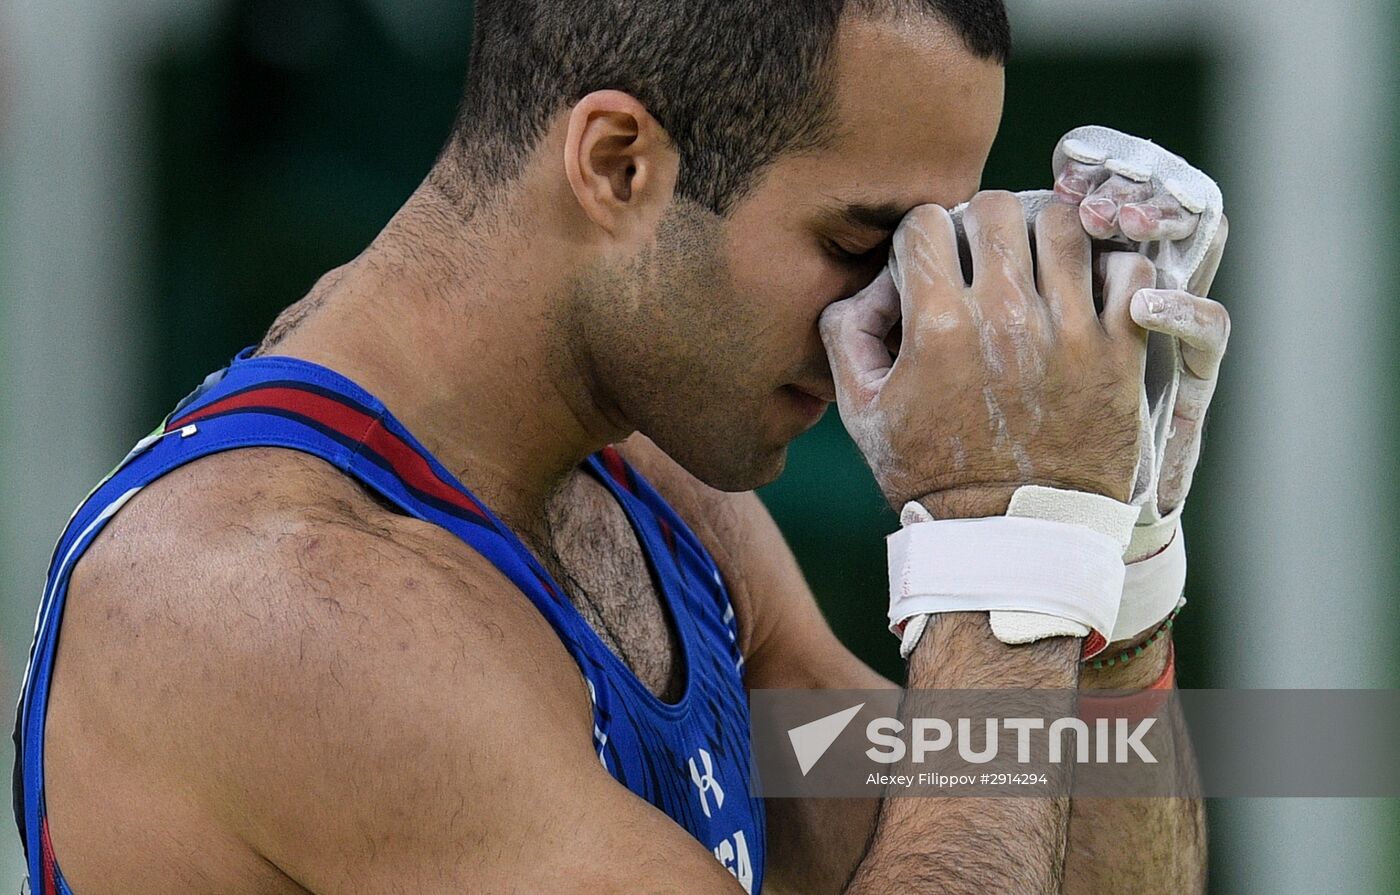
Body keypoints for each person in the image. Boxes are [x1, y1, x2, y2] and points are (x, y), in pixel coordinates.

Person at [13, 1, 1230, 892]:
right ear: (617, 164)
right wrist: (997, 566)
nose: (896, 313)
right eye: (860, 240)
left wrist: (1106, 568)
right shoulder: (284, 607)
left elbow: (1043, 861)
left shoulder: (655, 488)